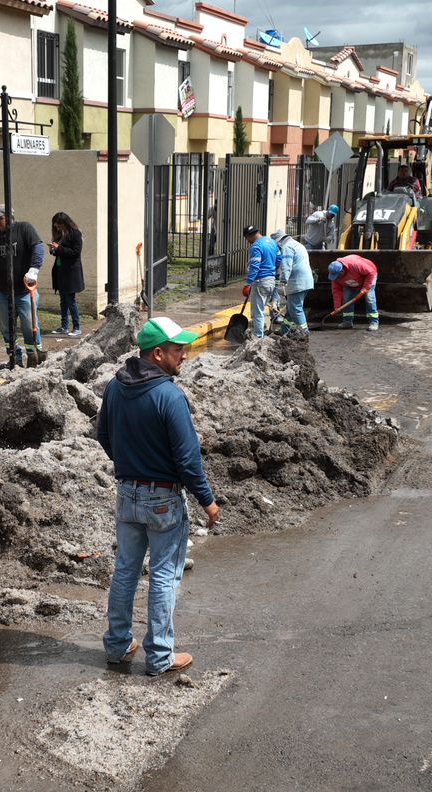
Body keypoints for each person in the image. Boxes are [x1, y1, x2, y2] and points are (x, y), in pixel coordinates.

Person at [96, 316, 220, 677]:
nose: (184, 355)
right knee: (165, 576)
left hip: (127, 494)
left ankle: (118, 646)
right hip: (163, 499)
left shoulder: (115, 388)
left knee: (125, 572)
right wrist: (207, 500)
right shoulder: (169, 396)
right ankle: (160, 656)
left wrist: (130, 467)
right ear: (157, 354)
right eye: (178, 350)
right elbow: (187, 459)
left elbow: (104, 436)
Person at [0, 204, 46, 368]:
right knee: (7, 328)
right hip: (3, 292)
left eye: (0, 218)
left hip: (24, 291)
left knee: (29, 326)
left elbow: (38, 247)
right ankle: (15, 358)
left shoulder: (24, 229)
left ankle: (34, 356)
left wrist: (34, 269)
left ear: (10, 217)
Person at [48, 212, 85, 336]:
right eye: (56, 226)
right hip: (60, 271)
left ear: (64, 223)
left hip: (71, 273)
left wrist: (59, 248)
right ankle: (64, 326)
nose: (57, 228)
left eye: (59, 226)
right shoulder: (60, 235)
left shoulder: (75, 233)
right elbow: (60, 252)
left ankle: (77, 327)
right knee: (63, 300)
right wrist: (53, 250)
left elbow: (75, 252)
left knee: (70, 300)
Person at [243, 225, 280, 339]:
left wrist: (249, 282)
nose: (247, 241)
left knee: (257, 311)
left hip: (260, 282)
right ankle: (263, 331)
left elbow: (255, 266)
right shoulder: (272, 242)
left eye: (247, 238)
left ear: (250, 236)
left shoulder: (256, 246)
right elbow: (279, 260)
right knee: (263, 307)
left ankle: (258, 338)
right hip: (271, 281)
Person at [273, 229, 312, 337]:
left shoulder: (287, 247)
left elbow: (286, 267)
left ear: (279, 241)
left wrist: (282, 282)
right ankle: (285, 330)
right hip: (306, 281)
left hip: (297, 283)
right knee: (290, 310)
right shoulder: (297, 245)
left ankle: (305, 332)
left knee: (296, 309)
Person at [328, 255, 379, 331]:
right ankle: (347, 322)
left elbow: (370, 273)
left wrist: (365, 288)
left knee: (369, 298)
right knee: (347, 298)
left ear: (342, 271)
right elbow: (336, 291)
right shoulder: (335, 277)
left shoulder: (355, 264)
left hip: (368, 276)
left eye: (337, 276)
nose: (336, 278)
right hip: (351, 282)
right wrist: (337, 306)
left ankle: (374, 322)